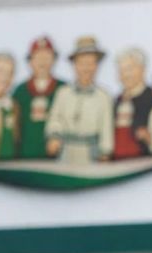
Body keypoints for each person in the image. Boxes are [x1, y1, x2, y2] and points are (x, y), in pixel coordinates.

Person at [45, 35, 113, 164]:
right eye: (82, 63)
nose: (86, 68)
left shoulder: (104, 97)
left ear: (97, 66)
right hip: (66, 151)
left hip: (91, 154)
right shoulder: (63, 93)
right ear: (74, 65)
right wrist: (54, 136)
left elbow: (106, 129)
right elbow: (55, 119)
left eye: (91, 63)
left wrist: (105, 152)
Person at [12, 36, 65, 159]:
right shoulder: (20, 91)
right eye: (38, 57)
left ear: (54, 60)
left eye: (47, 57)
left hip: (59, 159)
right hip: (26, 157)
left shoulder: (63, 89)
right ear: (30, 62)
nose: (42, 62)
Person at [111, 47, 152, 159]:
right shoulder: (117, 100)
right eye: (121, 70)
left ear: (143, 70)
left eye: (129, 69)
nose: (125, 75)